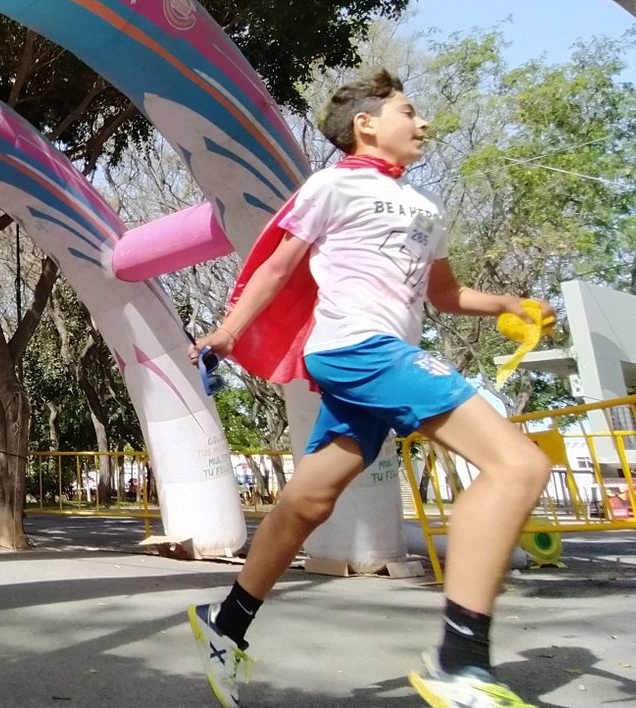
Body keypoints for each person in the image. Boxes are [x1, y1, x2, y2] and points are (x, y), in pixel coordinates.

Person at [184, 70, 554, 708]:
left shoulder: (426, 209)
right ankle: (458, 662)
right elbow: (277, 264)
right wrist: (227, 332)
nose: (424, 123)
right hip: (357, 352)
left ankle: (226, 625)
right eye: (410, 111)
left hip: (382, 358)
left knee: (309, 501)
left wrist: (507, 304)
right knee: (518, 465)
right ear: (367, 124)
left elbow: (445, 295)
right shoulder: (331, 185)